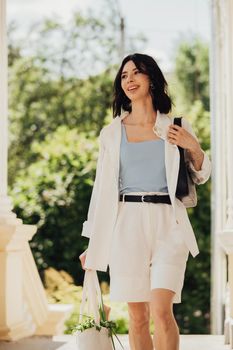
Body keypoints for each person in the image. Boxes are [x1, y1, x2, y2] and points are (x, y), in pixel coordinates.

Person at [79, 53, 211, 350]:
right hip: (126, 225)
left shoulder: (175, 126)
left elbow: (201, 175)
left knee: (163, 312)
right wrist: (93, 241)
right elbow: (101, 191)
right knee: (138, 318)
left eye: (136, 73)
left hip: (169, 224)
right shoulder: (111, 134)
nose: (130, 80)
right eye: (124, 75)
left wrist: (194, 146)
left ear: (151, 79)